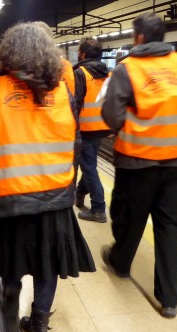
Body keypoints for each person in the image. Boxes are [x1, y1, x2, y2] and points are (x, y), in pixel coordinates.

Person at [0, 22, 95, 332]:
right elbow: (75, 143)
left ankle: (10, 295)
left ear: (8, 53)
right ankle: (39, 323)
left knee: (13, 251)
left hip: (9, 192)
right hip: (53, 192)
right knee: (47, 260)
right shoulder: (62, 92)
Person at [101, 13, 177, 318]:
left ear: (138, 38)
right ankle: (170, 298)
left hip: (138, 159)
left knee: (130, 216)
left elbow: (111, 115)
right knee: (168, 223)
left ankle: (121, 263)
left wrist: (137, 122)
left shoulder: (128, 68)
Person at [73, 38, 111, 223]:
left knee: (88, 167)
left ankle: (98, 209)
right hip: (102, 126)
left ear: (83, 53)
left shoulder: (81, 73)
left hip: (85, 127)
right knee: (90, 164)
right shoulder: (107, 72)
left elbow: (76, 103)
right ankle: (80, 193)